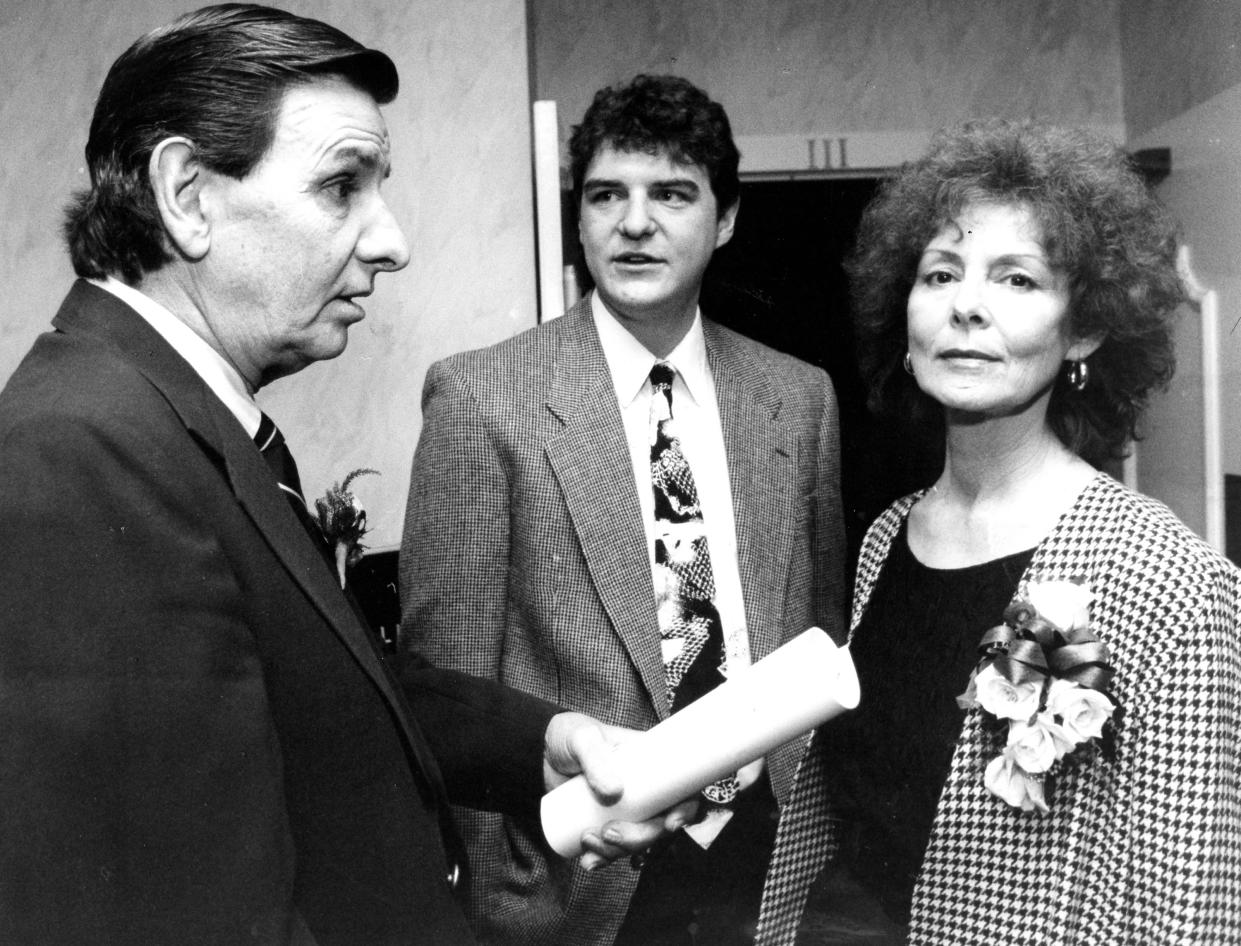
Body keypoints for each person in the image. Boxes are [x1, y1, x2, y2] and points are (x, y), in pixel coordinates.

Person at [0, 7, 690, 944]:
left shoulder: (171, 417)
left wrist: (542, 745)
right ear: (187, 195)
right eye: (341, 187)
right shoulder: (77, 452)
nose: (390, 241)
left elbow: (321, 698)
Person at [753, 118, 1241, 946]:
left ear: (1082, 328)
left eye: (1017, 280)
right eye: (939, 274)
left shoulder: (1174, 582)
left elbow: (1190, 907)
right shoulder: (885, 538)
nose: (967, 306)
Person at [400, 74, 847, 946]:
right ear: (578, 220)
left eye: (671, 195)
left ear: (723, 220)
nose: (634, 223)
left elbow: (814, 631)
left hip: (764, 859)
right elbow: (441, 696)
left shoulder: (797, 399)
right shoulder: (482, 397)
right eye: (607, 195)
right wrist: (504, 890)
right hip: (576, 880)